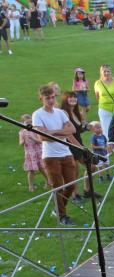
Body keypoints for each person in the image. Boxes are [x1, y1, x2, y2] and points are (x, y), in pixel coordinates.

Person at [32, 84, 78, 225]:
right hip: (50, 156)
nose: (51, 100)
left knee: (71, 185)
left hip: (66, 153)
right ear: (41, 99)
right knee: (57, 186)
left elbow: (72, 130)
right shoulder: (37, 114)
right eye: (48, 98)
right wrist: (61, 132)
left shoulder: (60, 113)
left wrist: (52, 132)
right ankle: (62, 215)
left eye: (52, 97)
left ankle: (58, 209)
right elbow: (42, 137)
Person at [93, 64, 114, 146]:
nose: (106, 73)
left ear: (111, 72)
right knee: (106, 128)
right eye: (104, 71)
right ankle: (109, 146)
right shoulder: (97, 83)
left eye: (108, 71)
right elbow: (97, 96)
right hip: (104, 109)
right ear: (101, 72)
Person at [19, 114, 46, 192]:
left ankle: (48, 181)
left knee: (42, 168)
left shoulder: (36, 130)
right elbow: (20, 143)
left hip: (38, 152)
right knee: (31, 170)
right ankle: (31, 186)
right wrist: (23, 141)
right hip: (30, 153)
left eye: (30, 122)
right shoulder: (22, 132)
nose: (29, 124)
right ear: (23, 123)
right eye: (27, 123)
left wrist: (33, 138)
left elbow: (41, 141)